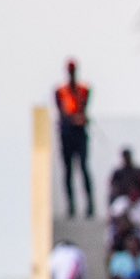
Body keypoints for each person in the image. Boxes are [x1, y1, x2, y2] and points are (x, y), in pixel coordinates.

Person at [54, 59, 94, 218]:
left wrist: (79, 118)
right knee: (68, 170)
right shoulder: (60, 91)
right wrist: (74, 119)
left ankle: (90, 205)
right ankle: (71, 206)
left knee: (83, 168)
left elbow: (84, 107)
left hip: (80, 133)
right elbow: (62, 112)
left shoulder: (83, 89)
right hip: (67, 133)